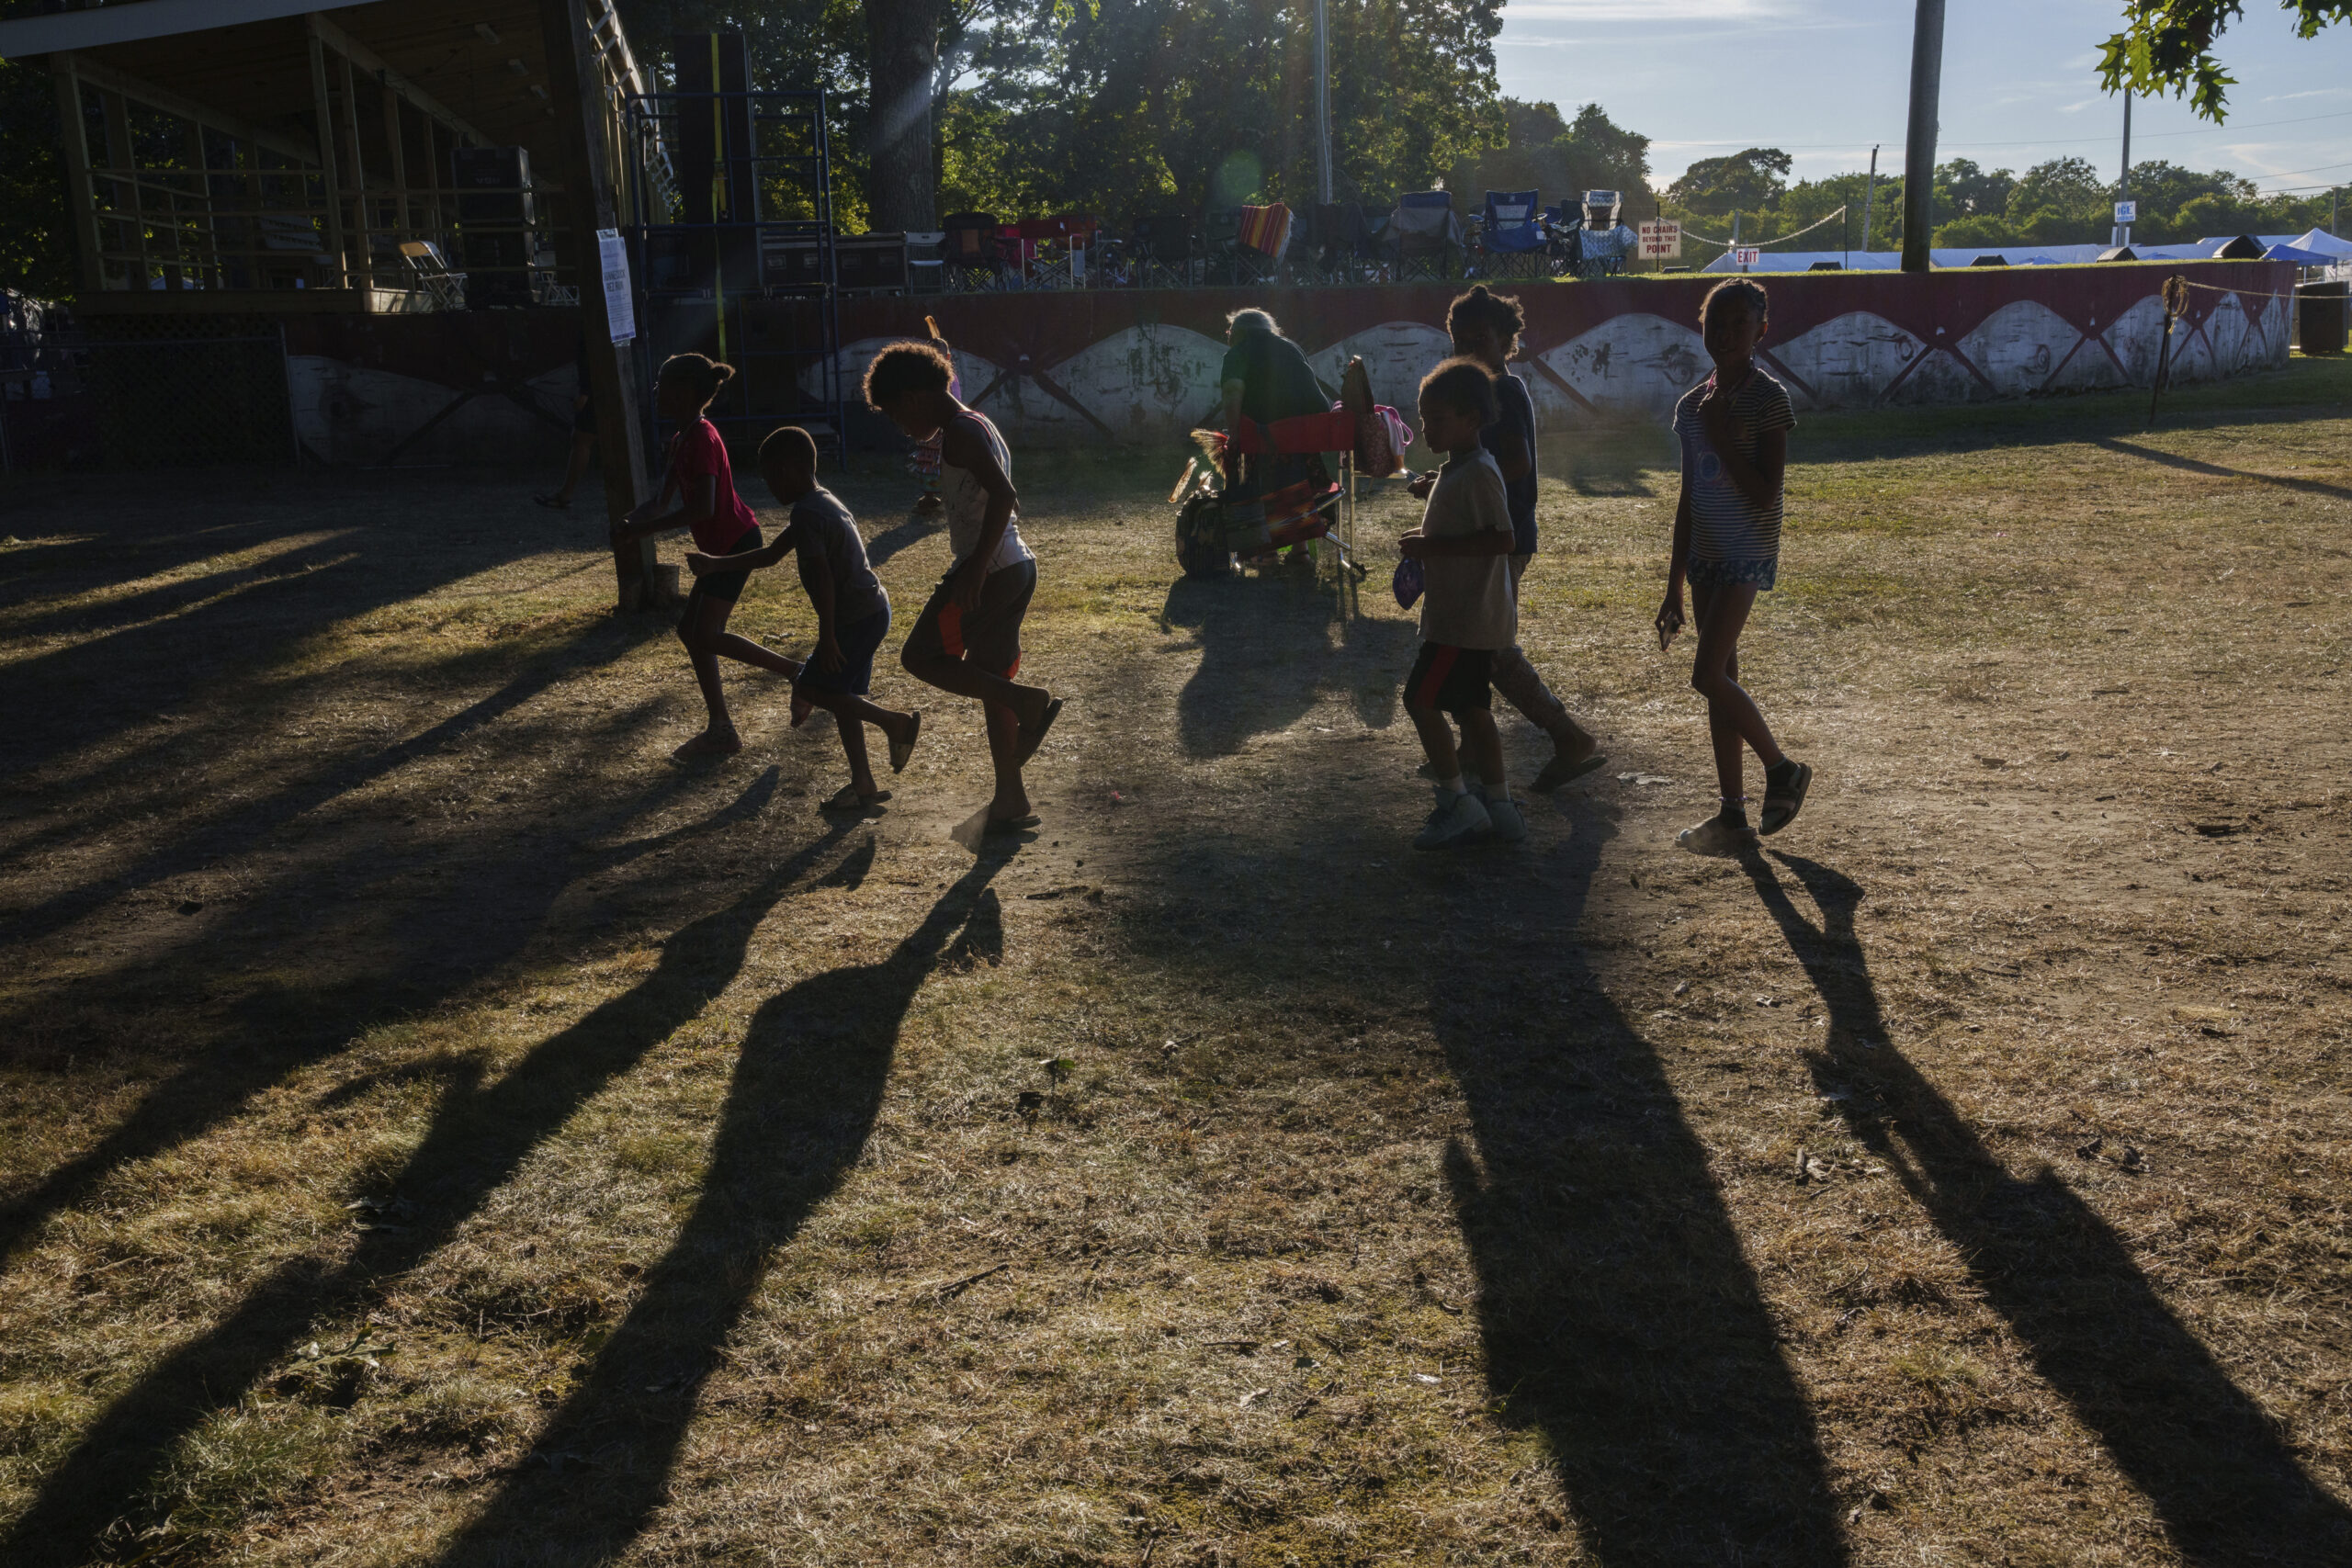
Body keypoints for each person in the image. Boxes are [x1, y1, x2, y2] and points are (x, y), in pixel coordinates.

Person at [1414, 285, 1608, 793]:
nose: (1469, 349)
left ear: (1506, 340)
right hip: (1482, 531)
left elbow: (1515, 465)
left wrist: (1456, 482)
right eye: (1460, 339)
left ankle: (1568, 736)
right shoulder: (1475, 390)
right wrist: (1441, 482)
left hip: (1503, 536)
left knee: (1491, 648)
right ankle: (1472, 748)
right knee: (1469, 640)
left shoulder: (1504, 390)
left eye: (1480, 338)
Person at [862, 341, 1062, 832]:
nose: (901, 427)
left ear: (912, 398)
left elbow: (1005, 496)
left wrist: (972, 572)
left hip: (990, 573)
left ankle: (1028, 704)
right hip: (1015, 568)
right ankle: (1011, 799)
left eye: (894, 414)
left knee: (920, 656)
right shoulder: (978, 423)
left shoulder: (960, 434)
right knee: (993, 682)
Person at [1655, 278, 1813, 855]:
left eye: (1737, 323)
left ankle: (1783, 770)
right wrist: (1673, 585)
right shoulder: (1690, 407)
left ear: (1761, 332)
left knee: (1705, 675)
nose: (1723, 333)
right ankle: (1733, 815)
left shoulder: (1768, 400)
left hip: (1746, 552)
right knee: (1721, 683)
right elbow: (1687, 499)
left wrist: (1722, 437)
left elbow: (1767, 494)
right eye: (1714, 321)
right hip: (1706, 559)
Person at [686, 425, 922, 811]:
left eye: (772, 477)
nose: (770, 487)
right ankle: (863, 784)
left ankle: (894, 723)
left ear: (792, 469)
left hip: (854, 617)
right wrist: (715, 565)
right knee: (843, 695)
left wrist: (827, 637)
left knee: (815, 689)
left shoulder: (808, 514)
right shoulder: (821, 502)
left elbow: (823, 580)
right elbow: (768, 556)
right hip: (870, 609)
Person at [612, 353, 804, 761]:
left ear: (682, 394)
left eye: (662, 385)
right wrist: (630, 523)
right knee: (692, 631)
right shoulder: (683, 438)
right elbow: (661, 503)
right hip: (722, 546)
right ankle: (722, 727)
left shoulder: (701, 438)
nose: (656, 392)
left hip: (736, 543)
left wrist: (642, 531)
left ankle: (795, 674)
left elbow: (702, 507)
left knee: (706, 633)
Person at [1398, 357, 1524, 852]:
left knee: (1420, 701)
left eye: (1437, 418)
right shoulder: (1456, 469)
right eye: (1423, 417)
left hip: (1461, 622)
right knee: (1473, 711)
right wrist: (1428, 536)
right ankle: (1501, 807)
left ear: (1473, 419)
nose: (1425, 426)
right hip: (1469, 618)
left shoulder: (1479, 472)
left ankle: (1458, 803)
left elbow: (1503, 539)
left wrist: (1431, 549)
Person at [1216, 308, 1331, 568]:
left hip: (1266, 444)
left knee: (1248, 464)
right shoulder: (1291, 347)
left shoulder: (1238, 353)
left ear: (1238, 333)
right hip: (1307, 449)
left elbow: (1233, 394)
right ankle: (1300, 551)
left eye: (1230, 332)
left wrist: (1234, 435)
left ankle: (1265, 553)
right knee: (1290, 462)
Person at [535, 333, 599, 509]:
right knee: (583, 440)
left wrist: (585, 392)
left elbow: (592, 360)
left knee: (582, 439)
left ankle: (565, 494)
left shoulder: (596, 329)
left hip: (595, 391)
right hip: (602, 388)